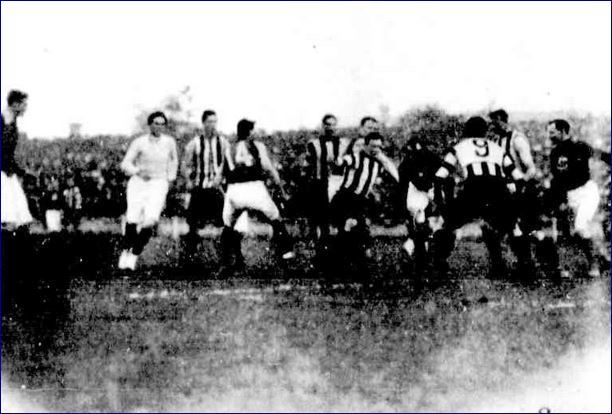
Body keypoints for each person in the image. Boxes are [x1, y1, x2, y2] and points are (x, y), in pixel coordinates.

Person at [432, 116, 526, 277]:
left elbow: (440, 175)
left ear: (466, 131)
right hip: (497, 188)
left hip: (473, 189)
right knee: (512, 227)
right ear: (485, 131)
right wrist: (515, 200)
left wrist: (441, 200)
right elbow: (518, 177)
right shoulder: (497, 147)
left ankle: (438, 264)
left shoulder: (459, 147)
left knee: (448, 225)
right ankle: (524, 263)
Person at [220, 118, 294, 274]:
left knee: (229, 226)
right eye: (253, 130)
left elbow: (220, 175)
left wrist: (226, 194)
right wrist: (280, 187)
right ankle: (286, 254)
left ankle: (227, 262)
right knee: (275, 219)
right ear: (249, 132)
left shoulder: (229, 148)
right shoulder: (257, 146)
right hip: (254, 187)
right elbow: (268, 167)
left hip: (234, 190)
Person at [542, 119, 610, 278]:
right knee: (574, 232)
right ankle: (603, 257)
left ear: (563, 131)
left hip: (586, 191)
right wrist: (558, 201)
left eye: (552, 132)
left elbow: (602, 155)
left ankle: (594, 265)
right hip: (570, 195)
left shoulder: (579, 146)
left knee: (581, 227)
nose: (550, 135)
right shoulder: (554, 153)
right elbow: (557, 179)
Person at [327, 131, 399, 278]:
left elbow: (394, 173)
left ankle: (340, 264)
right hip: (346, 198)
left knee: (357, 233)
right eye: (373, 146)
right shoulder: (356, 157)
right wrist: (338, 158)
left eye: (379, 147)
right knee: (351, 228)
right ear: (365, 145)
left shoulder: (379, 161)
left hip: (360, 201)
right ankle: (348, 265)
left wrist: (383, 159)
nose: (376, 149)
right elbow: (341, 162)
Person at [117, 111, 178, 271]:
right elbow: (125, 163)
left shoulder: (169, 142)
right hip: (139, 183)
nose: (159, 127)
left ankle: (134, 254)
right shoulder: (139, 142)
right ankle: (126, 252)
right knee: (132, 219)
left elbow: (173, 161)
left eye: (162, 124)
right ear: (150, 124)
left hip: (158, 183)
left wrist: (169, 179)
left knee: (150, 221)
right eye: (156, 123)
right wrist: (137, 171)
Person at [181, 110, 229, 254]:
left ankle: (229, 256)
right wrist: (188, 181)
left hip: (217, 187)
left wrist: (221, 176)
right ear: (203, 123)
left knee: (226, 221)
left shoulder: (223, 142)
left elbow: (228, 163)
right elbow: (184, 164)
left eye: (215, 121)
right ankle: (189, 257)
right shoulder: (195, 142)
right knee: (193, 223)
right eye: (209, 121)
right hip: (200, 187)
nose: (213, 125)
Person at [488, 108, 539, 244]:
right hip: (504, 189)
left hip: (520, 188)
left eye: (494, 122)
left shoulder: (517, 140)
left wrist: (521, 187)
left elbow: (531, 169)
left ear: (501, 120)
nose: (491, 126)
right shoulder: (495, 141)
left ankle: (546, 255)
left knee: (529, 231)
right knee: (505, 230)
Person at [398, 138, 443, 272]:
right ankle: (417, 253)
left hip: (420, 196)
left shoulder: (412, 160)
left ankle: (413, 251)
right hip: (417, 196)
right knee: (422, 225)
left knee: (425, 225)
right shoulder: (415, 161)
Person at [306, 114, 351, 243]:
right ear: (323, 126)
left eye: (333, 124)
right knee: (321, 214)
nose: (330, 128)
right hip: (320, 182)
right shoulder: (314, 144)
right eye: (328, 124)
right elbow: (308, 164)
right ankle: (321, 241)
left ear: (337, 126)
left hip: (339, 181)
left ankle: (338, 241)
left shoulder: (344, 143)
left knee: (338, 213)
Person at [1, 89, 34, 229]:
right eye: (24, 104)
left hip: (7, 172)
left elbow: (8, 154)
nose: (26, 108)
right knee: (10, 218)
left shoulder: (12, 123)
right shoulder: (4, 121)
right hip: (3, 173)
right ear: (15, 104)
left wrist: (20, 171)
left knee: (20, 216)